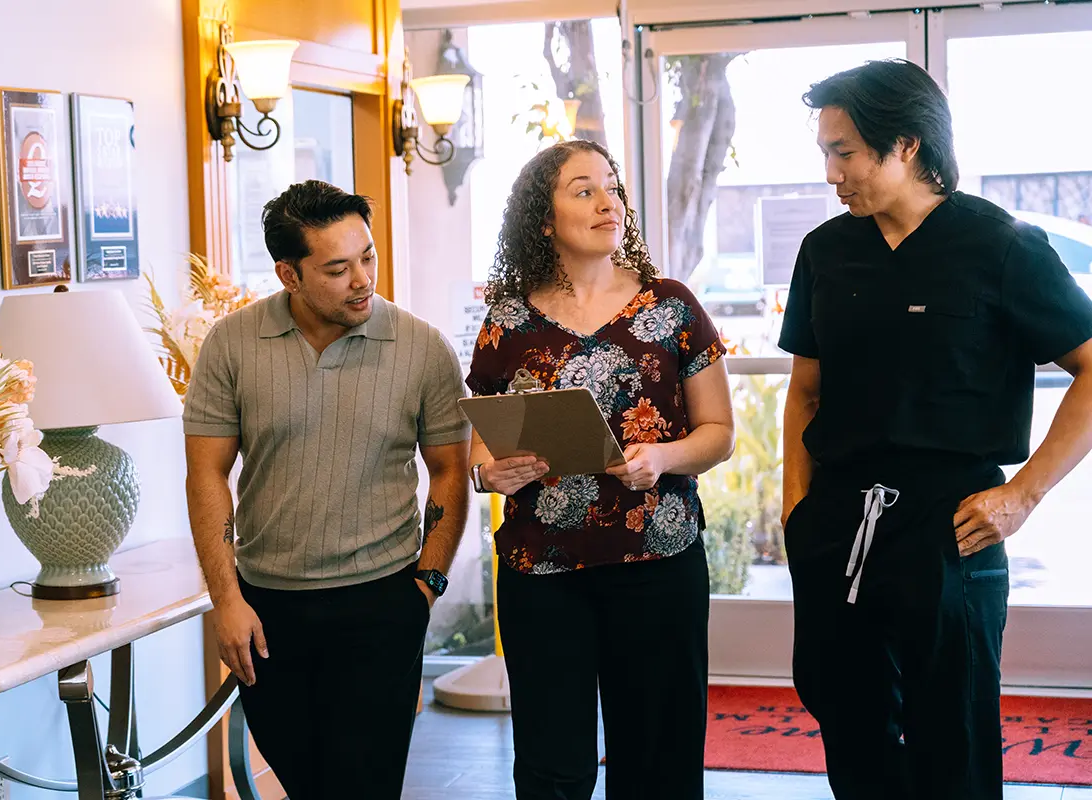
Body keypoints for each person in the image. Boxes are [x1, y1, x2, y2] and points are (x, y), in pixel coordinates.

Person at [780, 59, 1092, 800]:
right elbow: (805, 392)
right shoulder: (825, 251)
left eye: (844, 152)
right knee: (849, 725)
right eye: (824, 152)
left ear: (907, 144)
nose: (831, 174)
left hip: (952, 524)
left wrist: (1023, 495)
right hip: (837, 520)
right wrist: (796, 509)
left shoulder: (1002, 245)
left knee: (953, 738)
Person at [182, 180, 471, 799]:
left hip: (382, 602)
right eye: (338, 269)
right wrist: (226, 599)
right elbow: (206, 473)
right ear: (289, 275)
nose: (362, 280)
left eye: (367, 257)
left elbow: (450, 469)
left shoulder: (422, 348)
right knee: (305, 783)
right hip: (268, 610)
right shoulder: (232, 344)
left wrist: (426, 586)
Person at [466, 139, 735, 799]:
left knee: (658, 761)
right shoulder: (507, 321)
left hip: (658, 562)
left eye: (611, 187)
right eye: (583, 190)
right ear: (543, 219)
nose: (606, 201)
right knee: (550, 765)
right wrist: (488, 474)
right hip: (541, 569)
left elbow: (719, 434)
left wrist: (662, 456)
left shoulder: (671, 306)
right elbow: (479, 445)